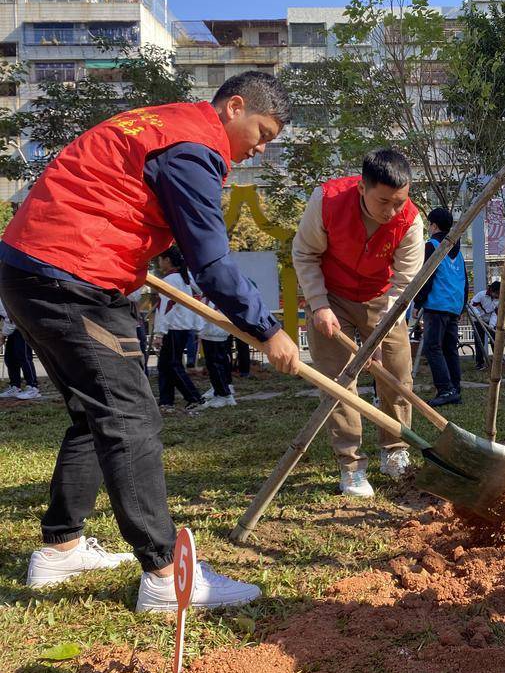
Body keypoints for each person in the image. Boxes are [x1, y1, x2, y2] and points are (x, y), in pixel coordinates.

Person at [0, 71, 299, 610]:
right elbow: (210, 258)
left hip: (34, 268)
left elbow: (181, 238)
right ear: (235, 106)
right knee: (131, 417)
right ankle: (165, 578)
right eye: (263, 133)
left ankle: (60, 548)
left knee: (94, 416)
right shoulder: (194, 147)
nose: (259, 149)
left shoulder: (166, 125)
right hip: (74, 276)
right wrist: (268, 330)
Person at [293, 147, 423, 498]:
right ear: (362, 188)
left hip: (383, 302)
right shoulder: (327, 201)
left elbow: (405, 283)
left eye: (399, 202)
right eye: (384, 202)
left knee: (396, 377)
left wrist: (382, 330)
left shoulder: (410, 220)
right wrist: (318, 305)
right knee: (339, 384)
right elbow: (304, 253)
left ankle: (395, 451)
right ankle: (351, 466)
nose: (392, 211)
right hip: (331, 297)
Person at [413, 206, 467, 407]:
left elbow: (426, 276)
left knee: (432, 347)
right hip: (454, 304)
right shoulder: (457, 251)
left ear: (433, 225)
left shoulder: (432, 245)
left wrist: (418, 302)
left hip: (437, 304)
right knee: (449, 348)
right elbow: (464, 280)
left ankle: (445, 389)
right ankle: (456, 389)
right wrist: (462, 306)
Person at [153, 248, 204, 413]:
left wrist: (159, 333)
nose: (159, 263)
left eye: (160, 259)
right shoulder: (186, 278)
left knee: (173, 365)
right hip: (184, 325)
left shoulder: (169, 280)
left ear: (167, 260)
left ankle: (194, 397)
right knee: (164, 366)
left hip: (172, 327)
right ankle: (166, 401)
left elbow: (164, 308)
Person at [198, 299, 236, 409]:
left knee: (215, 365)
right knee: (219, 363)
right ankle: (222, 391)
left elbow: (206, 312)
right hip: (218, 331)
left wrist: (198, 329)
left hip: (213, 332)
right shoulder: (218, 291)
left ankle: (224, 394)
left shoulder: (212, 293)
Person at [0, 295, 40, 399]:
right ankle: (15, 386)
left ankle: (33, 387)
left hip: (23, 326)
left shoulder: (2, 299)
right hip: (12, 328)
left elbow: (11, 318)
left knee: (24, 357)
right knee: (10, 359)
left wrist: (3, 335)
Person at [469, 280, 501, 370]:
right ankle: (480, 363)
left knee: (494, 340)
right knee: (479, 342)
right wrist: (478, 317)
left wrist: (491, 325)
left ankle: (496, 362)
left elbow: (495, 313)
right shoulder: (481, 295)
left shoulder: (498, 299)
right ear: (492, 290)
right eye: (497, 293)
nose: (498, 296)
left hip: (490, 321)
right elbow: (472, 305)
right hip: (477, 320)